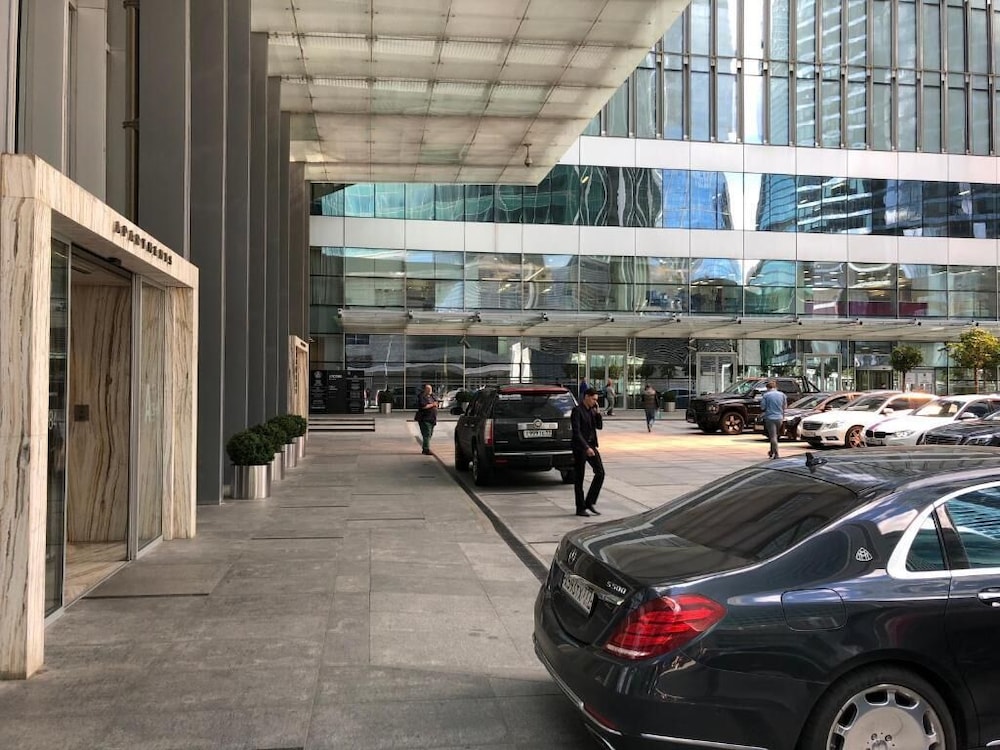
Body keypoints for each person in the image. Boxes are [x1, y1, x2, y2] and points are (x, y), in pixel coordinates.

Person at [571, 388, 605, 517]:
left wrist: (598, 413)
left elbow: (599, 427)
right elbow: (576, 432)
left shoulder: (591, 411)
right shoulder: (577, 411)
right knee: (579, 478)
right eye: (593, 399)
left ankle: (589, 502)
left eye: (596, 400)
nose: (595, 402)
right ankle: (580, 508)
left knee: (600, 473)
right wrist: (586, 447)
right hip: (580, 447)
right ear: (586, 397)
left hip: (591, 445)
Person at [761, 380, 787, 460]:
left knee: (772, 436)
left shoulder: (766, 395)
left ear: (768, 388)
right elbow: (784, 407)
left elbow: (763, 407)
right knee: (775, 435)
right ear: (775, 387)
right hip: (779, 418)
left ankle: (776, 453)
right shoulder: (782, 395)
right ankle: (771, 451)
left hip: (770, 418)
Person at [415, 383, 439, 455]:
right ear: (425, 390)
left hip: (432, 418)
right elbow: (423, 406)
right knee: (427, 433)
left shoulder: (432, 396)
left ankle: (425, 447)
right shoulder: (422, 397)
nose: (430, 390)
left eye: (430, 389)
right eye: (428, 389)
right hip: (424, 418)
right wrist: (433, 404)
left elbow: (436, 402)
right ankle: (426, 449)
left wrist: (436, 405)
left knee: (430, 434)